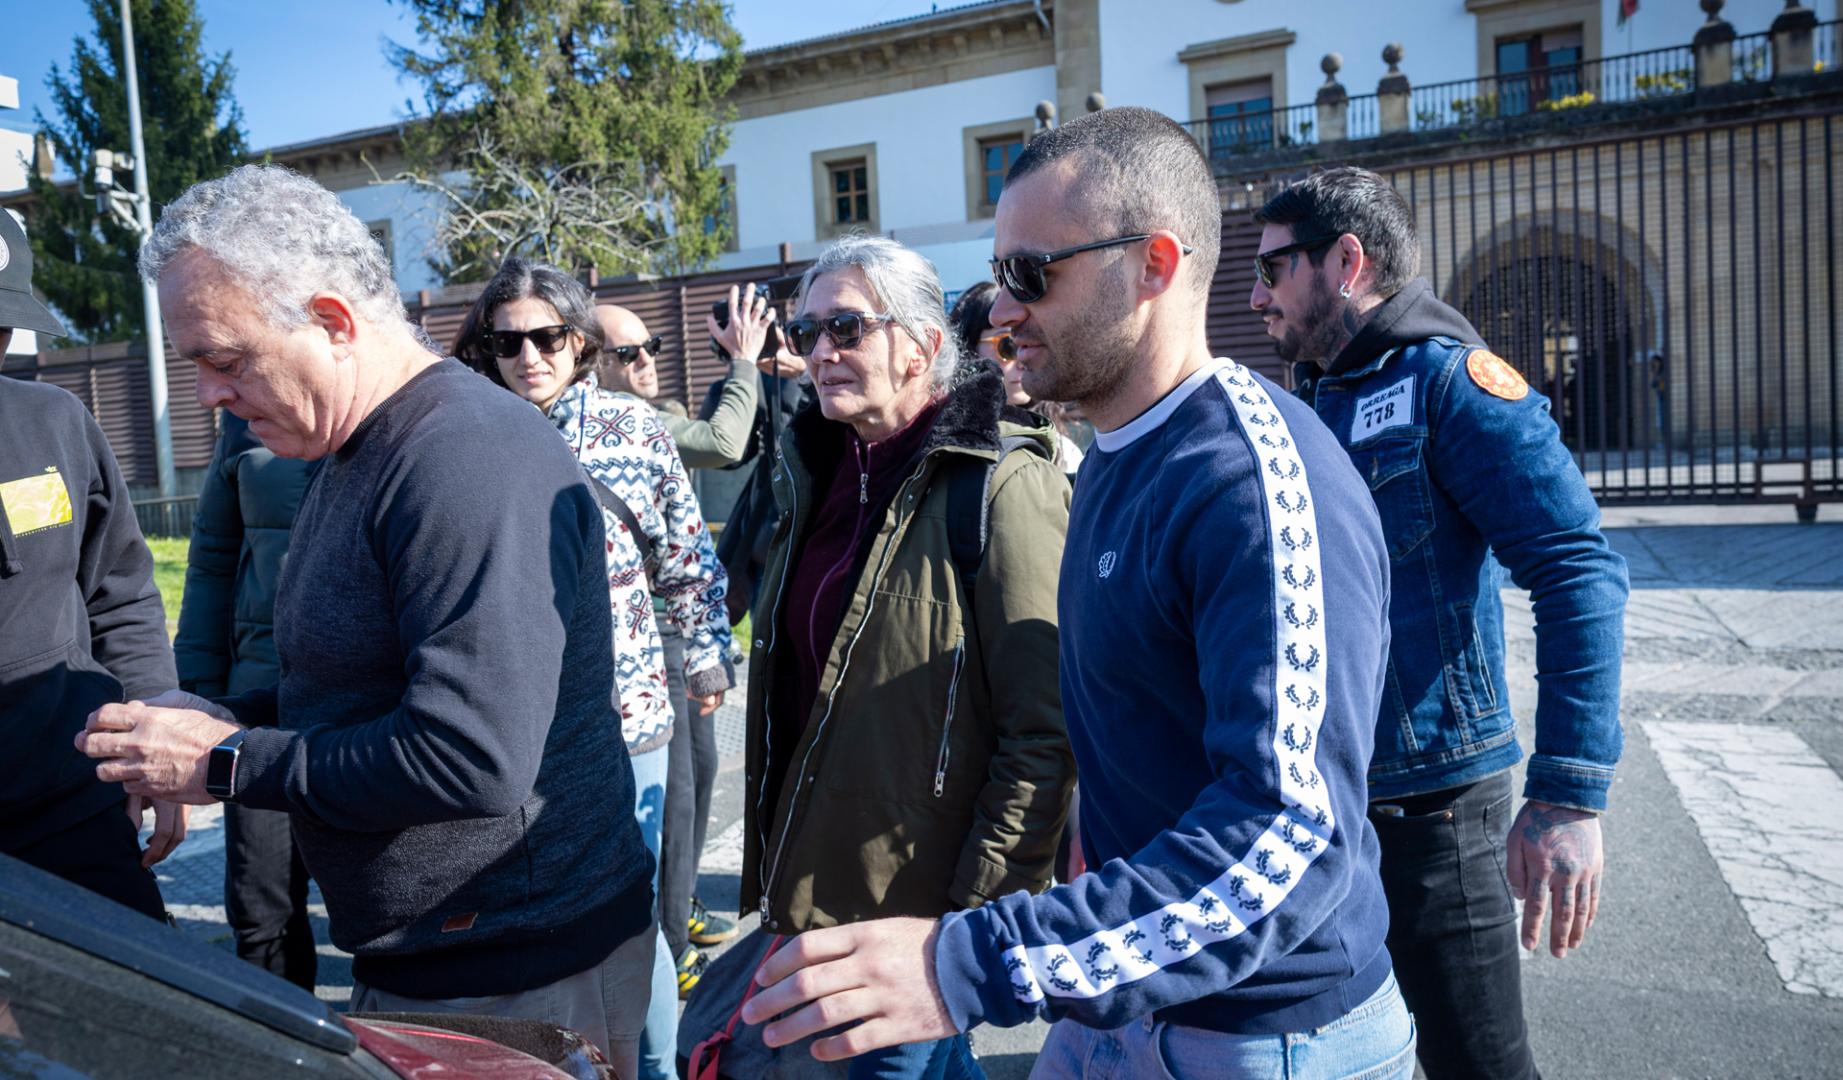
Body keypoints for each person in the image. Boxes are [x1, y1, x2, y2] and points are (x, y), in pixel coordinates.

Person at [733, 108, 1412, 1080]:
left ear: (1155, 264)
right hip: (1121, 1010)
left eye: (1029, 274)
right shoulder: (1106, 457)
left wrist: (968, 958)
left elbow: (1287, 843)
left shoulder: (1251, 482)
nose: (998, 310)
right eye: (996, 272)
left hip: (1265, 1038)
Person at [75, 165, 656, 1079]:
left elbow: (469, 757)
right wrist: (225, 720)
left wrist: (221, 764)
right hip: (444, 965)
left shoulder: (464, 456)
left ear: (333, 321)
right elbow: (357, 681)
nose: (207, 396)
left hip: (515, 978)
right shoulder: (355, 445)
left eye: (225, 359)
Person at [1250, 165, 1629, 1080]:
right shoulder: (1310, 402)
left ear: (1345, 261)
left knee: (1479, 1066)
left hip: (1432, 810)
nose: (1256, 292)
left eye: (1272, 269)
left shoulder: (1450, 382)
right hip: (1324, 806)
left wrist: (1569, 794)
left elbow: (1577, 569)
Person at [740, 234, 1076, 1079]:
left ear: (924, 346)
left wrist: (971, 930)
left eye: (847, 328)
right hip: (816, 891)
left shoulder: (999, 483)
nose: (818, 351)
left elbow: (1045, 732)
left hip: (917, 917)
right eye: (805, 330)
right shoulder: (812, 470)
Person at [453, 257, 735, 1080]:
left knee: (629, 920)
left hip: (628, 716)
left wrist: (708, 656)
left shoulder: (634, 428)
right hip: (504, 727)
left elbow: (687, 559)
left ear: (579, 341)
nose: (528, 357)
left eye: (547, 337)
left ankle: (654, 1068)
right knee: (527, 922)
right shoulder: (464, 434)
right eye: (508, 343)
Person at [0, 208, 183, 921]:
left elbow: (121, 591)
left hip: (75, 809)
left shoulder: (57, 422)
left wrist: (152, 734)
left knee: (145, 1017)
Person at [596, 293, 772, 996]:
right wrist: (745, 364)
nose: (646, 363)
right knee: (666, 802)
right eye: (628, 353)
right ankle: (664, 942)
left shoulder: (652, 419)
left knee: (690, 790)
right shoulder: (611, 428)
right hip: (635, 651)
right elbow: (726, 442)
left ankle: (677, 908)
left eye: (652, 350)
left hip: (673, 638)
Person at [174, 413, 318, 990]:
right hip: (259, 710)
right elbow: (211, 562)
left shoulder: (390, 398)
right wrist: (198, 705)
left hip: (372, 711)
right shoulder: (243, 416)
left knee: (394, 911)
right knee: (262, 912)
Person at [948, 282, 1085, 476]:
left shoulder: (1064, 450)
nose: (1022, 359)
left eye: (1031, 344)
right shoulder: (939, 442)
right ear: (966, 349)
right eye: (1008, 346)